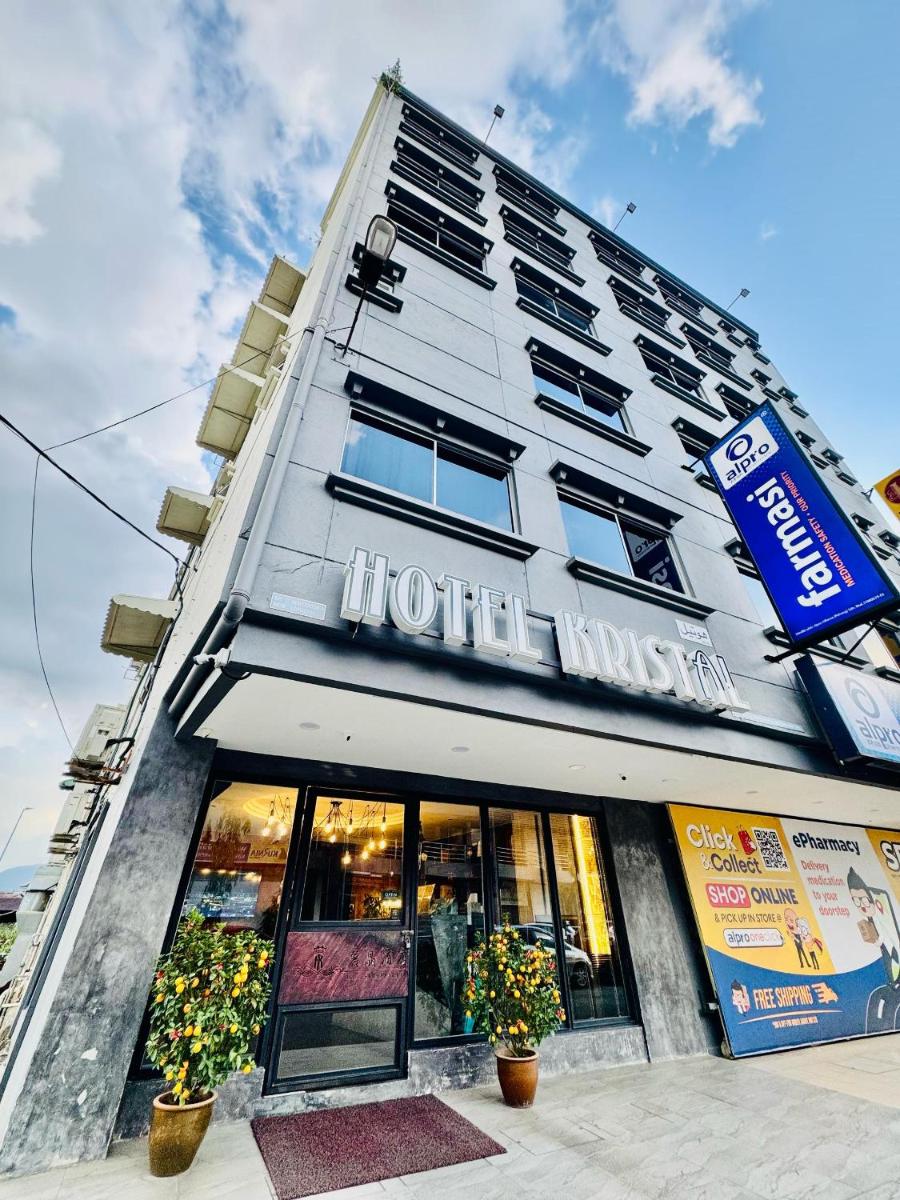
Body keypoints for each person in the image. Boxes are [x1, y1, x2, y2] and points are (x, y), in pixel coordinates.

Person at [848, 866, 900, 1033]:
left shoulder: (883, 915)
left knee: (889, 1004)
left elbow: (893, 947)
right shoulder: (870, 920)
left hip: (896, 973)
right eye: (856, 901)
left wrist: (881, 941)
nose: (861, 905)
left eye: (863, 900)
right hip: (892, 980)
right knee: (877, 999)